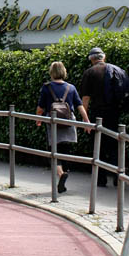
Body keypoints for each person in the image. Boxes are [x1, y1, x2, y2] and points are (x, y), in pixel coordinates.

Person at [36, 61, 90, 193]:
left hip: (53, 123)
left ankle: (60, 174)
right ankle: (64, 175)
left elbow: (40, 107)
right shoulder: (71, 88)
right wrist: (86, 120)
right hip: (68, 122)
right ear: (64, 71)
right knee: (65, 151)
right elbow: (79, 105)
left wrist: (38, 118)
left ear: (51, 72)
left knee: (53, 152)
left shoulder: (46, 87)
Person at [80, 47, 129, 187]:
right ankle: (118, 177)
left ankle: (100, 179)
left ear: (91, 59)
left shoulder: (89, 73)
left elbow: (86, 99)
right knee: (114, 145)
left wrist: (85, 120)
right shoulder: (117, 70)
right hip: (114, 114)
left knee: (98, 146)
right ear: (104, 57)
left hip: (98, 115)